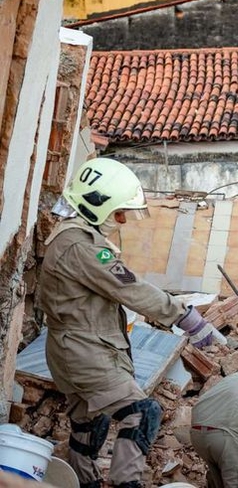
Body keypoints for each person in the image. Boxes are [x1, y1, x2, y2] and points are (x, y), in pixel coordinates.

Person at [38, 158, 224, 488]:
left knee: (87, 423)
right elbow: (131, 287)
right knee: (142, 413)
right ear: (96, 204)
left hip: (70, 350)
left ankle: (87, 481)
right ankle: (128, 484)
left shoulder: (68, 236)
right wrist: (186, 317)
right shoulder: (83, 246)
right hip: (86, 352)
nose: (122, 220)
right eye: (118, 211)